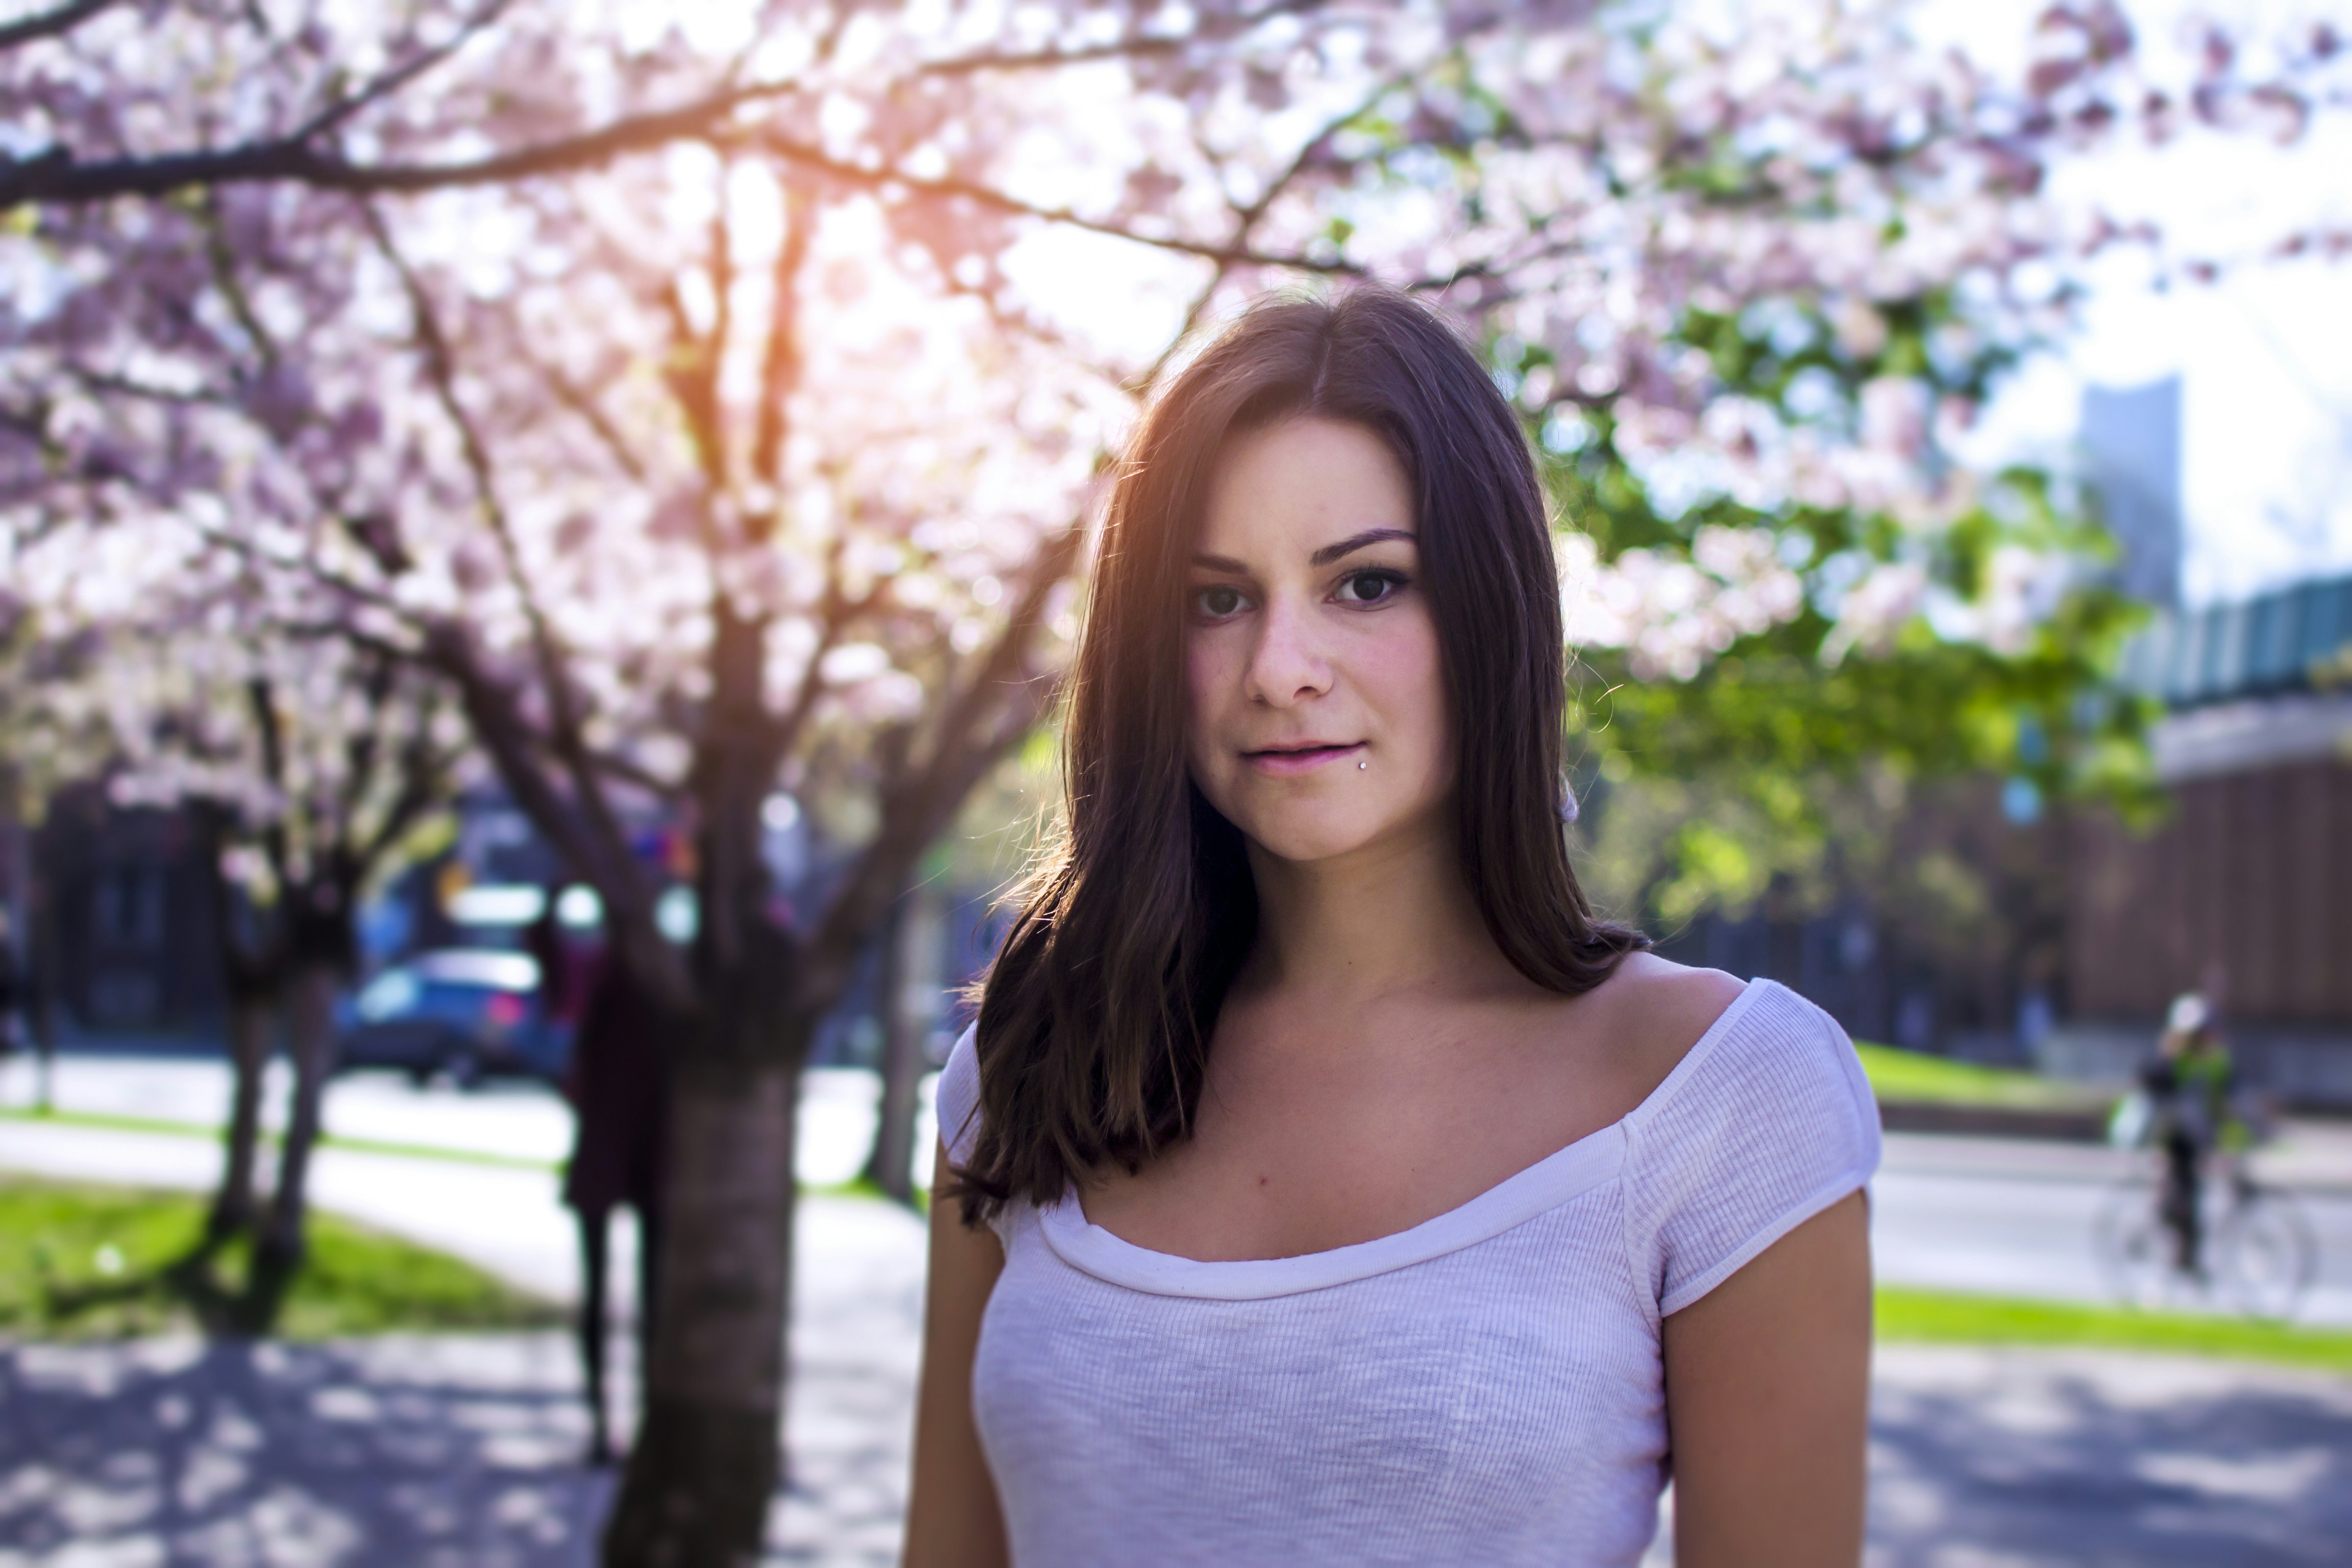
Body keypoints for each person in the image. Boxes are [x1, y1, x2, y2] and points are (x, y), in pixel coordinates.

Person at [902, 290, 1880, 1567]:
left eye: (1366, 582)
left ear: (1490, 612)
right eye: (1215, 600)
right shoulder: (1028, 1068)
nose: (1280, 666)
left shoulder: (1724, 1097)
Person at [560, 945, 669, 1467]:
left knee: (651, 1300)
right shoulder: (613, 971)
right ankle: (604, 1420)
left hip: (645, 1157)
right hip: (622, 1154)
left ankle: (636, 1421)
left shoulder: (662, 978)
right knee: (613, 1298)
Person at [2140, 991, 2238, 1278]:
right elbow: (2155, 1088)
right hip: (2174, 1134)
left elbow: (2227, 1095)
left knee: (2195, 1195)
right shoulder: (2171, 1056)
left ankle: (2188, 1253)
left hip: (2198, 1133)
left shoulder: (2216, 1059)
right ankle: (2180, 1244)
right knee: (2184, 1191)